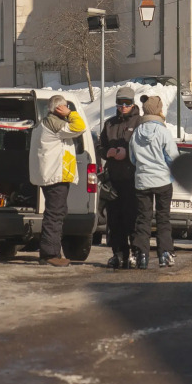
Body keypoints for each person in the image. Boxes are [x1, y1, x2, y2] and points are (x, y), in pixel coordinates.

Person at [29, 94, 87, 267]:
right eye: (65, 107)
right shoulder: (55, 124)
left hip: (53, 174)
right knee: (54, 214)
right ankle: (49, 254)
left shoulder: (45, 123)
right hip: (55, 176)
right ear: (60, 108)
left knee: (57, 212)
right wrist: (70, 113)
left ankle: (52, 251)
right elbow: (80, 127)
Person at [130, 95, 179, 269]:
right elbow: (172, 157)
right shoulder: (163, 131)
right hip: (162, 180)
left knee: (143, 218)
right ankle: (165, 254)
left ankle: (141, 255)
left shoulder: (136, 132)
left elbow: (133, 158)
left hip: (142, 181)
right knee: (163, 218)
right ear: (158, 110)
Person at [97, 85, 141, 269]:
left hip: (133, 180)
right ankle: (118, 254)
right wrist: (109, 153)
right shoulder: (110, 123)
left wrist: (128, 154)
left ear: (132, 103)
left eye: (127, 103)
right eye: (120, 102)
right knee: (114, 221)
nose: (123, 106)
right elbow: (100, 146)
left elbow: (145, 150)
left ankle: (137, 254)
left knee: (133, 219)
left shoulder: (140, 123)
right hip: (113, 179)